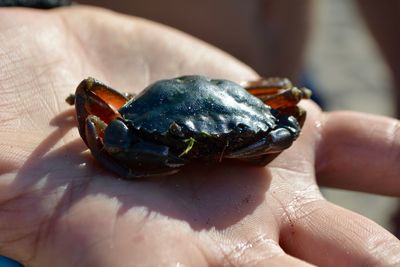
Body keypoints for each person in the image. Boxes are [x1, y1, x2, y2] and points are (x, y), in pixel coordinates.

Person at [0, 5, 399, 267]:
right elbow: (100, 121)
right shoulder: (127, 111)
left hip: (255, 79)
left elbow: (290, 115)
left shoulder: (260, 97)